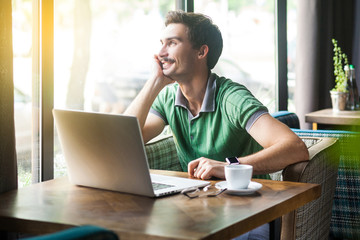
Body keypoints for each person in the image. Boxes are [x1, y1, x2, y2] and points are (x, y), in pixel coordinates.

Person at [124, 10, 309, 240]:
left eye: (172, 43)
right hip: (196, 211)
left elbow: (295, 147)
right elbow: (125, 140)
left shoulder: (232, 98)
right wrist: (154, 82)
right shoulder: (168, 97)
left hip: (249, 213)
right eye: (161, 43)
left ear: (201, 51)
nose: (161, 52)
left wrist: (228, 166)